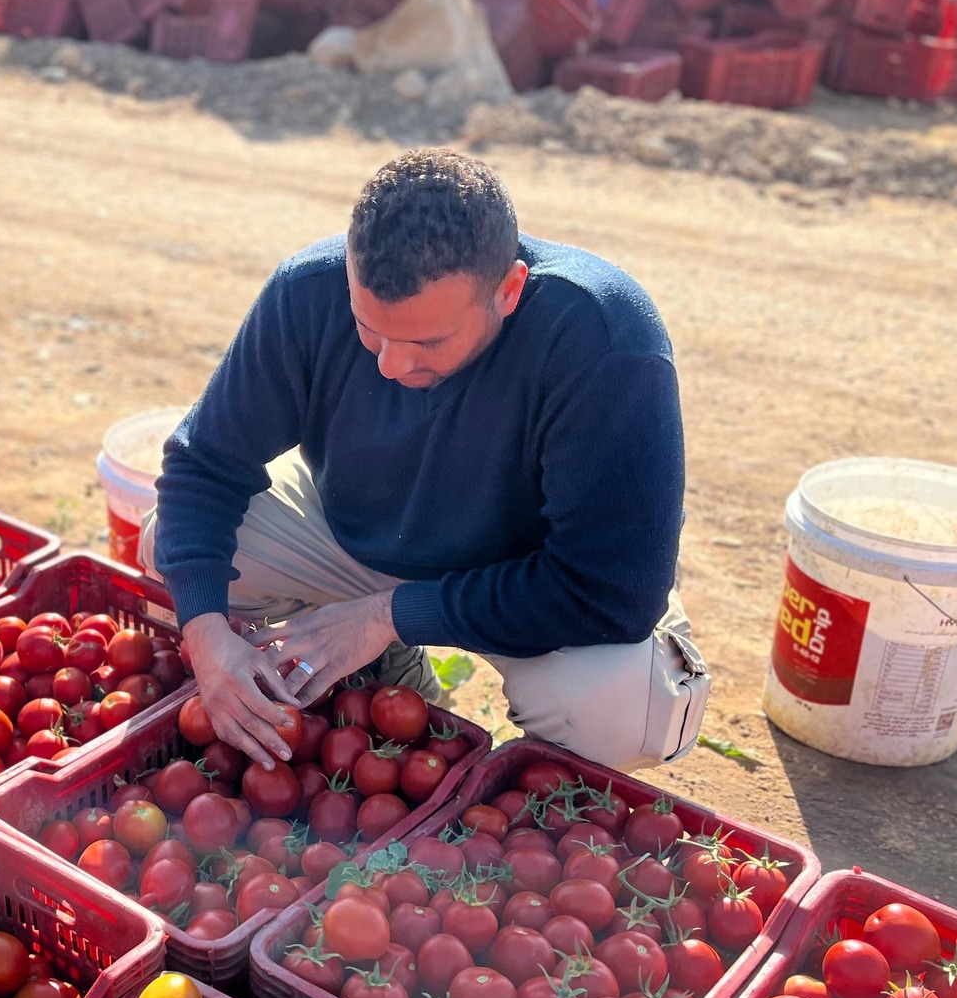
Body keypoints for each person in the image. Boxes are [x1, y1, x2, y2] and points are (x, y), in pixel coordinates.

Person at [145, 148, 710, 775]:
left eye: (427, 342)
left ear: (510, 290)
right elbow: (203, 466)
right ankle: (387, 667)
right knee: (172, 550)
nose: (390, 364)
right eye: (369, 330)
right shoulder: (307, 290)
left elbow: (611, 593)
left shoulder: (605, 346)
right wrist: (205, 635)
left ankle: (397, 652)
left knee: (619, 714)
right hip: (359, 535)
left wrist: (389, 615)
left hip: (527, 578)